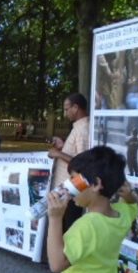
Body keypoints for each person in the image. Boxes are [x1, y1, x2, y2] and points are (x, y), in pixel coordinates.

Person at [48, 93, 90, 231]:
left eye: (66, 109)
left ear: (75, 107)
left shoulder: (83, 129)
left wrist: (58, 153)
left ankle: (65, 253)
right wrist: (63, 145)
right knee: (61, 227)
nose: (65, 113)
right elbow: (76, 153)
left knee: (68, 229)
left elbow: (83, 164)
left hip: (71, 191)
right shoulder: (78, 127)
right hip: (65, 189)